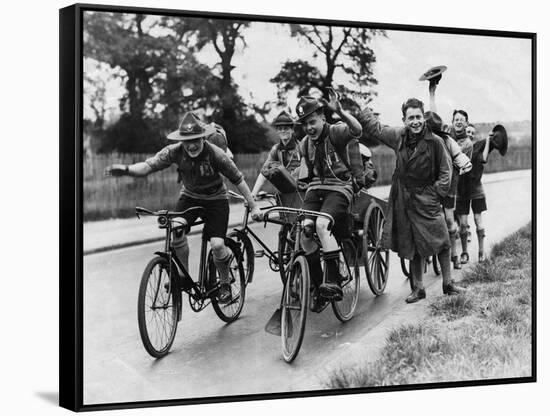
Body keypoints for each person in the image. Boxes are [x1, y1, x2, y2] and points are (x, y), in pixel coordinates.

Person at [105, 111, 262, 304]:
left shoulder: (216, 154)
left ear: (203, 138)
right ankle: (182, 277)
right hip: (190, 197)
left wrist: (254, 207)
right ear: (182, 141)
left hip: (216, 200)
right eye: (188, 141)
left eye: (196, 139)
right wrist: (126, 170)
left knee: (217, 245)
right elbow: (148, 166)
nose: (192, 145)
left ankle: (225, 283)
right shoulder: (174, 151)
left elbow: (239, 180)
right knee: (176, 228)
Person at [358, 98, 462, 303]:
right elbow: (377, 129)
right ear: (404, 120)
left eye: (418, 117)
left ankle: (448, 283)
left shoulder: (435, 142)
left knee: (441, 238)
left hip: (427, 198)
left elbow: (445, 172)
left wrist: (435, 194)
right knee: (411, 243)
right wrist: (364, 111)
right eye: (410, 118)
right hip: (404, 197)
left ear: (423, 117)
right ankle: (418, 288)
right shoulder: (399, 136)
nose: (415, 122)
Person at [296, 89, 364, 304]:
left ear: (322, 118)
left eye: (313, 122)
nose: (309, 128)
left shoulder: (336, 132)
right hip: (316, 189)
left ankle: (333, 280)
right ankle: (319, 288)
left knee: (322, 225)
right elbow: (306, 172)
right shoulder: (305, 143)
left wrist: (341, 112)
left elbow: (357, 129)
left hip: (339, 188)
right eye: (305, 124)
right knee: (305, 231)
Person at [429, 82, 473, 269]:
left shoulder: (466, 143)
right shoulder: (447, 132)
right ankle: (435, 251)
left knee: (450, 220)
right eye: (456, 119)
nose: (459, 121)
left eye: (462, 119)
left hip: (454, 184)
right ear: (453, 121)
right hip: (437, 181)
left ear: (465, 123)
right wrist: (432, 93)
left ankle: (455, 254)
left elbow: (453, 159)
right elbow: (434, 119)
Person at [456, 125, 508, 262]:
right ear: (463, 133)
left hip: (476, 188)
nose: (470, 134)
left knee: (478, 221)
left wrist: (488, 140)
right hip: (461, 189)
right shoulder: (456, 146)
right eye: (468, 132)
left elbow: (484, 158)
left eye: (472, 133)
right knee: (462, 224)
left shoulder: (480, 146)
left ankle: (481, 252)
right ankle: (464, 253)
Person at [251, 110, 302, 200]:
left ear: (292, 130)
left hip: (300, 192)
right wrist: (253, 194)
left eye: (286, 128)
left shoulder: (301, 147)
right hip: (283, 193)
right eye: (280, 128)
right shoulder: (276, 149)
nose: (283, 131)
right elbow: (264, 172)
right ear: (277, 131)